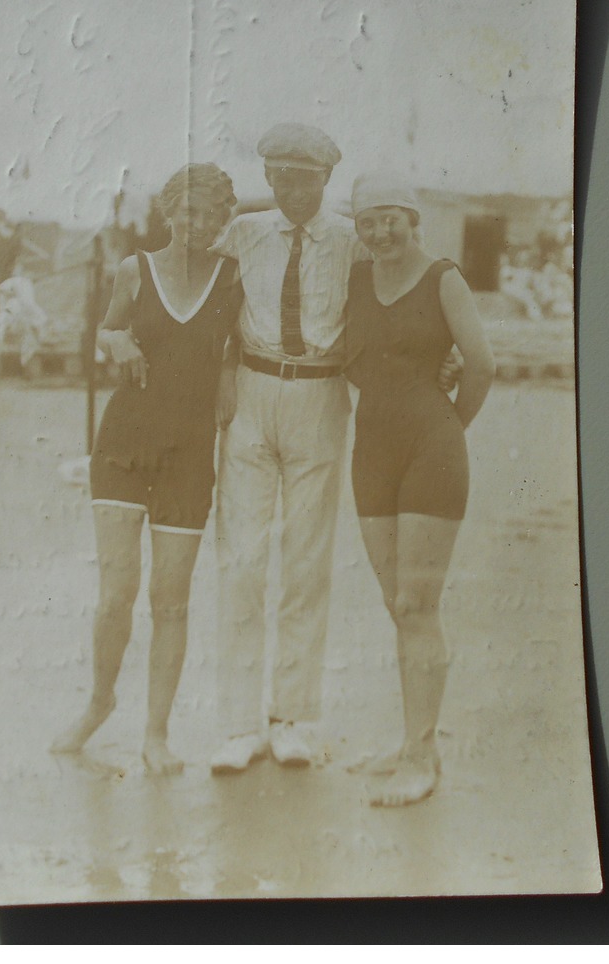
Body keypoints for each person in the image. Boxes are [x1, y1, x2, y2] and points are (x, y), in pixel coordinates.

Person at [52, 163, 242, 774]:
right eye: (187, 210)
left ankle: (155, 734)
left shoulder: (232, 277)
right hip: (124, 443)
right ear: (168, 212)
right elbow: (106, 333)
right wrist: (120, 343)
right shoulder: (135, 268)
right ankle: (99, 701)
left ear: (223, 221)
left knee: (172, 600)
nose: (197, 222)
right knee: (117, 594)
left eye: (211, 213)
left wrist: (231, 388)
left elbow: (240, 353)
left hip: (188, 453)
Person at [207, 123, 364, 773]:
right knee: (241, 561)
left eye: (306, 177)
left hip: (320, 398)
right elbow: (211, 304)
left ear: (328, 178)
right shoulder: (243, 233)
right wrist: (220, 375)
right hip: (251, 391)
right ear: (266, 178)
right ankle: (239, 724)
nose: (293, 189)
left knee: (305, 561)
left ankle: (294, 717)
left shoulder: (355, 241)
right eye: (280, 176)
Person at [344, 173, 495, 807]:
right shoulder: (354, 281)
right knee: (396, 605)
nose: (381, 231)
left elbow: (481, 363)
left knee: (417, 607)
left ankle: (421, 758)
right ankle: (415, 743)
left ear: (412, 218)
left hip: (432, 452)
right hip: (371, 452)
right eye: (368, 221)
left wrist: (450, 425)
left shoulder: (443, 278)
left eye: (391, 218)